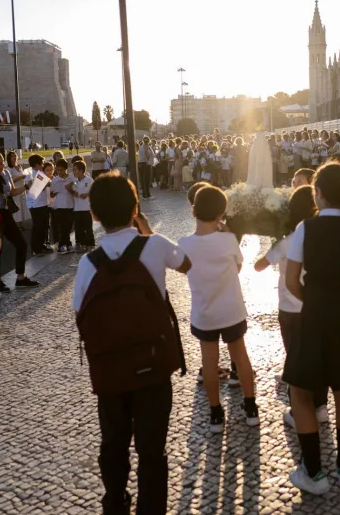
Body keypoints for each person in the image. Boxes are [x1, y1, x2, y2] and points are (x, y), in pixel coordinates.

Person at [73, 173, 191, 515]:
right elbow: (186, 263)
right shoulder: (153, 245)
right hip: (153, 364)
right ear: (135, 207)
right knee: (152, 447)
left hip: (109, 369)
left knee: (113, 442)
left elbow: (79, 310)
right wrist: (148, 233)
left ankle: (115, 501)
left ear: (94, 214)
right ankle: (151, 507)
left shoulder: (87, 263)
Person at [284, 162, 340, 494]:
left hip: (316, 313)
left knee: (300, 389)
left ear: (317, 193)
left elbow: (291, 281)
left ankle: (314, 473)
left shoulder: (306, 228)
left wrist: (314, 298)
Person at [178, 185, 259, 432]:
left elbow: (183, 268)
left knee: (209, 361)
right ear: (221, 215)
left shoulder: (185, 244)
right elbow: (237, 268)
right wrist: (225, 231)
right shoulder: (228, 240)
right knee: (240, 356)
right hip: (231, 309)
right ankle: (251, 407)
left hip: (205, 312)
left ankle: (215, 413)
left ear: (193, 210)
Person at [254, 185, 328, 427]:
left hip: (291, 308)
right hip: (318, 307)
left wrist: (274, 245)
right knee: (318, 357)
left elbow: (259, 266)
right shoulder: (324, 237)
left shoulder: (288, 241)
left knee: (295, 359)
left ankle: (299, 411)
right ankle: (320, 406)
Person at [0, 151, 39, 291]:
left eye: (3, 162)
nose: (3, 165)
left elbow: (11, 192)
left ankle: (20, 277)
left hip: (6, 212)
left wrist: (26, 187)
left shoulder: (5, 173)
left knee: (21, 244)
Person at [51, 159, 75, 254]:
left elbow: (74, 192)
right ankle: (65, 245)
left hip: (69, 205)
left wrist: (70, 189)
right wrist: (55, 191)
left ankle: (66, 244)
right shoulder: (55, 179)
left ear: (65, 169)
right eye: (58, 170)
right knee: (61, 227)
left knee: (68, 226)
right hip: (59, 206)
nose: (59, 172)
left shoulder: (71, 178)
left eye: (61, 170)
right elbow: (52, 195)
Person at [70, 160, 95, 251]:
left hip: (86, 207)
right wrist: (73, 192)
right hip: (77, 208)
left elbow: (94, 191)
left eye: (75, 170)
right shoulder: (74, 181)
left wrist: (87, 194)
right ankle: (80, 243)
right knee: (78, 227)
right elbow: (72, 190)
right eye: (73, 170)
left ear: (81, 170)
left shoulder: (89, 180)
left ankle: (90, 243)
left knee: (88, 226)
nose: (74, 172)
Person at [5, 151, 27, 223]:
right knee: (17, 206)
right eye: (12, 156)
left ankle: (20, 223)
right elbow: (10, 181)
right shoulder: (9, 169)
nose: (14, 157)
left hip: (22, 188)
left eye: (15, 155)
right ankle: (16, 223)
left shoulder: (19, 166)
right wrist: (21, 177)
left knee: (22, 206)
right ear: (9, 158)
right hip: (15, 189)